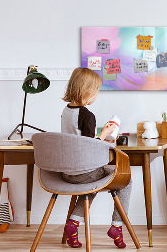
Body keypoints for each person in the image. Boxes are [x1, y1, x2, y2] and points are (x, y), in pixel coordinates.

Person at [61, 67, 131, 249]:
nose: (96, 95)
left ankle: (73, 224)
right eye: (96, 91)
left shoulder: (66, 111)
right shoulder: (87, 115)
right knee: (126, 180)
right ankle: (117, 226)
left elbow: (78, 140)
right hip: (84, 172)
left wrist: (100, 135)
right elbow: (88, 147)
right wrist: (105, 135)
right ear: (87, 91)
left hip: (67, 172)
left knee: (92, 183)